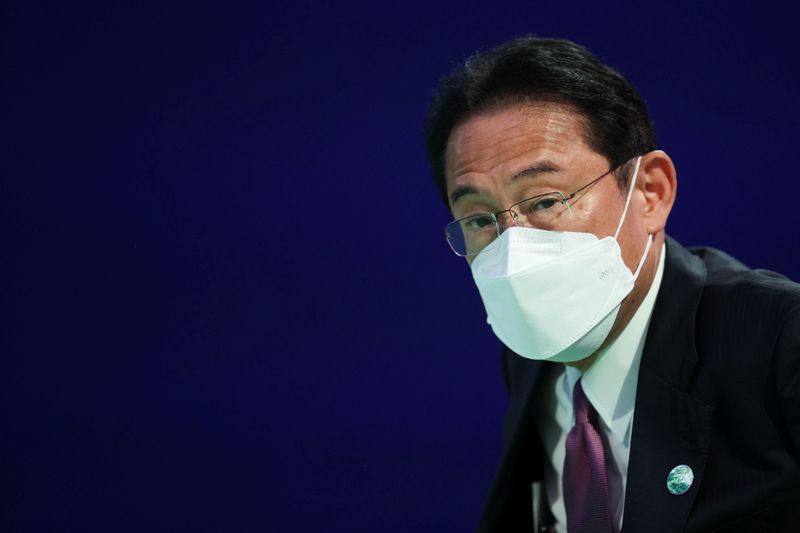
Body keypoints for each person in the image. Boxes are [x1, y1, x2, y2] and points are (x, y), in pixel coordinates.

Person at [424, 36, 800, 532]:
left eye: (544, 201)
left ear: (650, 193)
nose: (513, 248)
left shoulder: (779, 340)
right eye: (478, 220)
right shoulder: (530, 353)